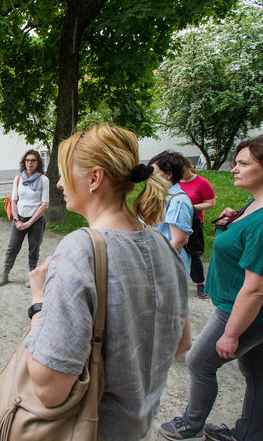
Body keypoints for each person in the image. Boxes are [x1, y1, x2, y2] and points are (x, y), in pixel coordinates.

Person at [25, 123, 188, 441]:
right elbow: (181, 344)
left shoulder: (79, 250)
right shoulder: (161, 243)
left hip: (94, 429)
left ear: (95, 178)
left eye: (65, 173)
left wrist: (38, 300)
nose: (59, 184)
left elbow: (48, 389)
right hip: (139, 426)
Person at [159, 134, 263, 441]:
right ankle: (247, 434)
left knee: (199, 363)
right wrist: (234, 221)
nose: (234, 169)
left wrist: (232, 333)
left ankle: (191, 424)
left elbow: (257, 288)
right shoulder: (262, 206)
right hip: (260, 311)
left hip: (249, 311)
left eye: (243, 163)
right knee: (258, 374)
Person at [148, 150, 195, 357]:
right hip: (157, 258)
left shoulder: (178, 200)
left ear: (168, 173)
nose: (150, 175)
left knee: (172, 304)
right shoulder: (162, 196)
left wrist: (158, 265)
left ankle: (178, 346)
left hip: (167, 261)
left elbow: (179, 240)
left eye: (154, 171)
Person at [0, 149, 49, 288]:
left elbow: (44, 205)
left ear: (38, 163)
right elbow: (14, 200)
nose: (29, 163)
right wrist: (17, 220)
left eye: (33, 160)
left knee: (34, 249)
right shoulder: (18, 179)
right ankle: (5, 274)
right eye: (27, 160)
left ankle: (31, 276)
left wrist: (29, 222)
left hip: (36, 220)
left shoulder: (44, 180)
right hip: (19, 219)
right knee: (12, 248)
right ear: (24, 162)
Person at [180, 159, 216, 299]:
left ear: (191, 167)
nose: (182, 174)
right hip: (177, 222)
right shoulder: (175, 182)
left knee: (194, 253)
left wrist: (190, 207)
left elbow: (211, 204)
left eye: (184, 170)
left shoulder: (202, 182)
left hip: (194, 223)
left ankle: (200, 284)